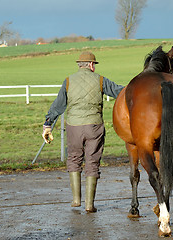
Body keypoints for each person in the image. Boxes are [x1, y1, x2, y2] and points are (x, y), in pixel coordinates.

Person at [42, 51, 124, 212]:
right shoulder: (100, 80)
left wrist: (47, 123)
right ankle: (89, 205)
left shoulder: (68, 81)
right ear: (92, 65)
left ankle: (76, 200)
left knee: (74, 159)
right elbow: (119, 92)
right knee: (92, 162)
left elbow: (58, 105)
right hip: (94, 126)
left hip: (74, 126)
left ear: (79, 65)